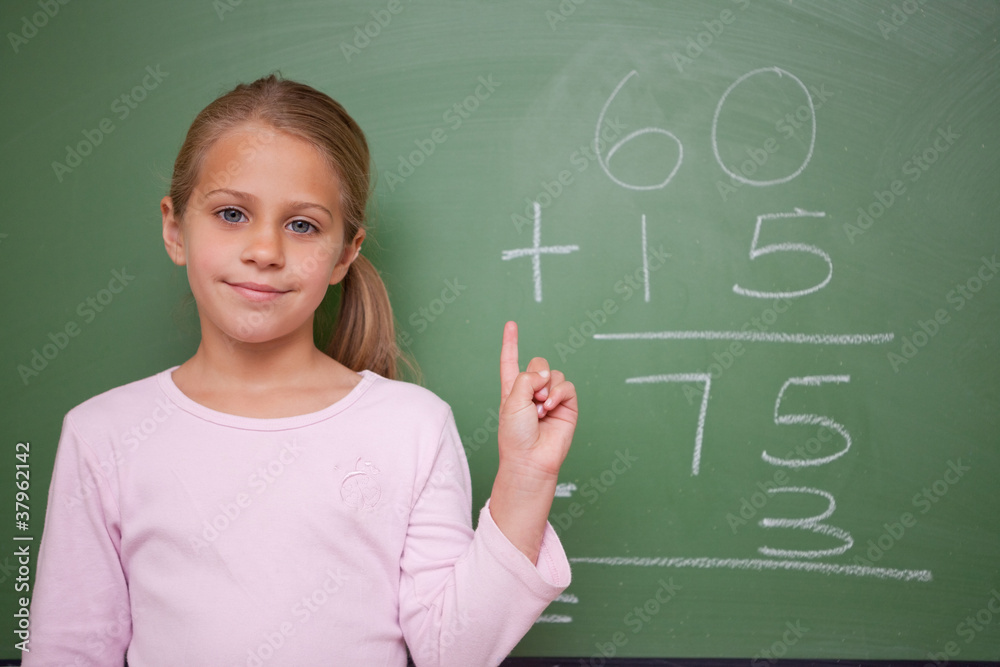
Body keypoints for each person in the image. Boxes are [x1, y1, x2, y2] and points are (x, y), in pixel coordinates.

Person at [23, 74, 577, 666]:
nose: (265, 250)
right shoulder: (103, 434)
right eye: (232, 213)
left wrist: (525, 478)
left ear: (344, 254)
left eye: (302, 225)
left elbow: (455, 652)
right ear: (174, 227)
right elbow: (69, 650)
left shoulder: (411, 427)